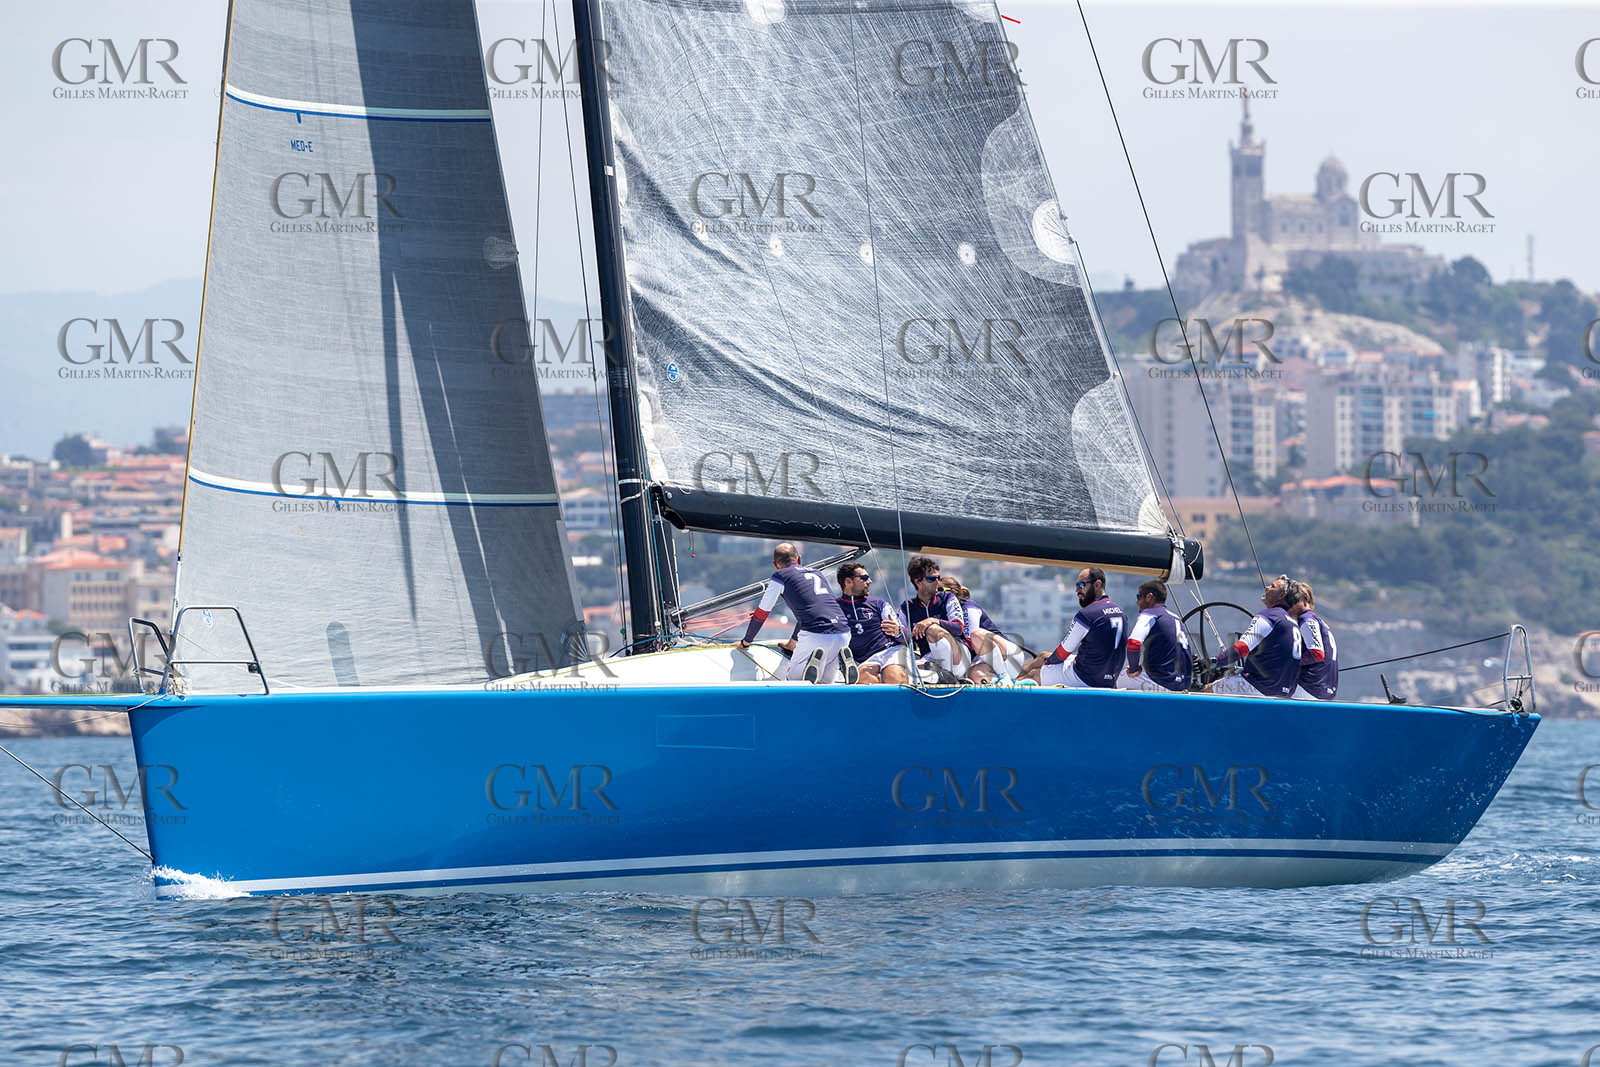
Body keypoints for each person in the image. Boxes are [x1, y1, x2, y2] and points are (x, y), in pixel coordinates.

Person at [738, 542, 855, 683]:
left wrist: (746, 642)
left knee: (794, 680)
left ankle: (808, 671)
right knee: (826, 683)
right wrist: (791, 644)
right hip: (843, 632)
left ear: (775, 564)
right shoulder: (816, 573)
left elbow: (762, 612)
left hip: (815, 634)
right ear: (799, 559)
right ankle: (842, 664)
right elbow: (813, 610)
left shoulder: (780, 576)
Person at [1019, 567, 1127, 688]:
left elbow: (1063, 652)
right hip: (1108, 679)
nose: (1077, 590)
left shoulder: (1087, 614)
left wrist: (1048, 664)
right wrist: (1047, 659)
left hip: (1085, 678)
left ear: (1097, 584)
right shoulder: (1121, 613)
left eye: (1081, 585)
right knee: (1043, 655)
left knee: (1035, 675)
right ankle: (1012, 680)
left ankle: (1006, 688)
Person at [1207, 575, 1302, 698]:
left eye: (1272, 586)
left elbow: (1241, 648)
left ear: (1282, 595)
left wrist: (1213, 663)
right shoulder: (1293, 623)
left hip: (1257, 686)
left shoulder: (1270, 616)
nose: (1266, 588)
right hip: (1285, 692)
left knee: (1204, 691)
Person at [837, 562, 912, 685]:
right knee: (865, 680)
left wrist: (898, 632)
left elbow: (907, 638)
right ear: (848, 582)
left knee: (893, 675)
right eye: (864, 578)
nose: (870, 581)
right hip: (863, 660)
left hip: (890, 651)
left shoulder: (879, 604)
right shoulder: (835, 607)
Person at [939, 576, 1023, 683]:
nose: (935, 595)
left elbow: (971, 640)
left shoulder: (968, 608)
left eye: (939, 591)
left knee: (976, 634)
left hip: (1009, 657)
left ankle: (1004, 676)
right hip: (988, 661)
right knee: (975, 676)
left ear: (952, 592)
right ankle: (1014, 682)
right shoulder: (943, 613)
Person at [899, 555, 971, 679]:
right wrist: (897, 632)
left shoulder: (948, 597)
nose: (938, 582)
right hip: (929, 659)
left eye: (938, 577)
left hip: (958, 656)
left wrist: (933, 621)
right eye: (932, 579)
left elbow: (958, 628)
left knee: (932, 629)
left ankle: (948, 678)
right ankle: (941, 678)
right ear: (918, 581)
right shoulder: (907, 607)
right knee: (899, 671)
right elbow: (902, 637)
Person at [1120, 579, 1192, 692]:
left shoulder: (1149, 614)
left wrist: (1133, 669)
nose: (1137, 602)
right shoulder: (1176, 618)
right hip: (1182, 684)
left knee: (1113, 679)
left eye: (1139, 597)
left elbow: (1133, 643)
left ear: (1149, 597)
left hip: (1160, 681)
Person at [1290, 582, 1339, 700]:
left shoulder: (1306, 619)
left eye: (1292, 600)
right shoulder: (1319, 621)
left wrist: (1287, 663)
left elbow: (1316, 654)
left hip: (1308, 689)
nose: (1288, 605)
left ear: (1305, 599)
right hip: (1325, 692)